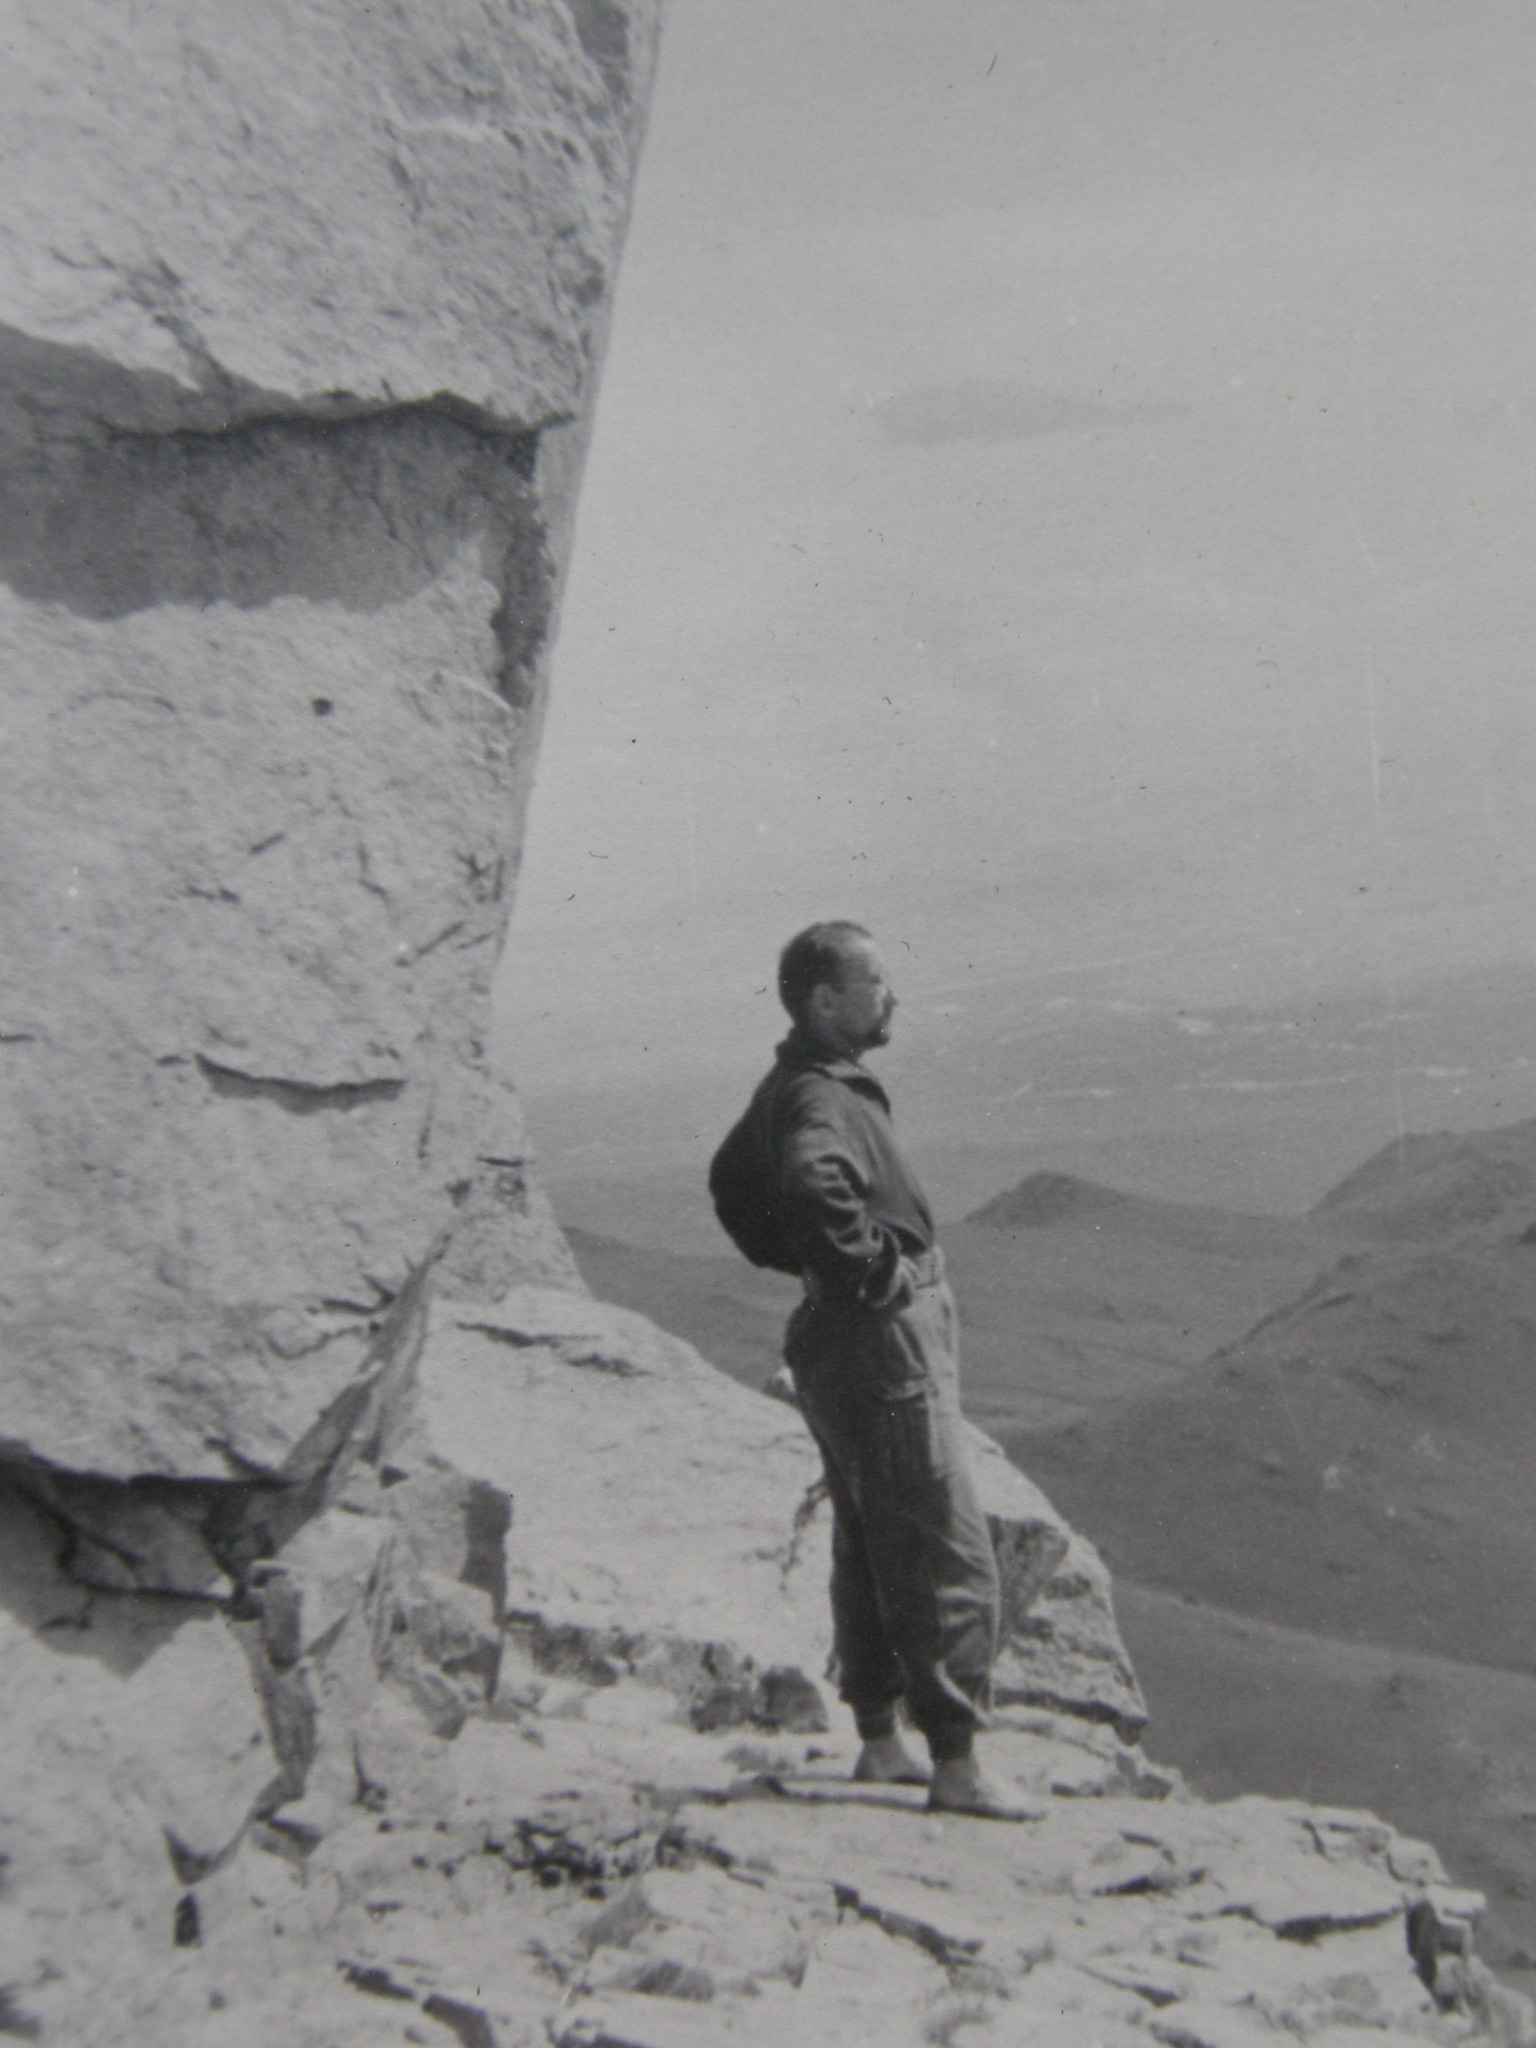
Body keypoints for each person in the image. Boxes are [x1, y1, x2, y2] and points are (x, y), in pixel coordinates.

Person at [736, 919, 1022, 1817]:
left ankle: (880, 1742)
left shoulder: (798, 1082)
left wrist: (811, 1266)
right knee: (943, 1541)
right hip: (881, 1336)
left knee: (864, 1539)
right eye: (876, 983)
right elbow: (807, 1182)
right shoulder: (820, 1098)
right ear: (828, 1001)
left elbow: (730, 1183)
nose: (891, 997)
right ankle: (958, 1766)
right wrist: (867, 1270)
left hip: (843, 1336)